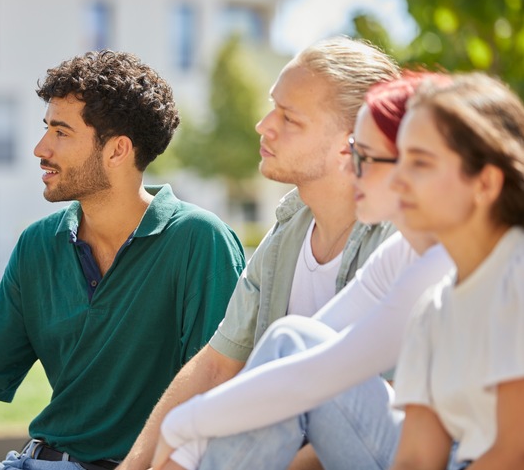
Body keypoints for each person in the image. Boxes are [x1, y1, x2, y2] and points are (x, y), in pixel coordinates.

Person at [0, 50, 246, 470]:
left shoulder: (199, 241)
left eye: (61, 132)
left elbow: (217, 395)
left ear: (117, 150)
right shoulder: (38, 244)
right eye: (46, 129)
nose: (40, 148)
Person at [119, 36, 401, 470]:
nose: (264, 124)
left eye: (289, 118)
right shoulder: (287, 233)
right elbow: (215, 366)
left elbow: (389, 409)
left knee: (290, 350)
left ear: (352, 140)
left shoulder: (401, 238)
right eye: (273, 107)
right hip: (267, 449)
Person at [152, 72, 456, 470]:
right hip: (409, 451)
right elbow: (304, 360)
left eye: (363, 155)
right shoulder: (404, 253)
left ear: (420, 165)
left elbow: (313, 373)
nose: (352, 169)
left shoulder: (461, 264)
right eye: (352, 151)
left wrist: (182, 428)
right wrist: (184, 439)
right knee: (291, 340)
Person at [390, 73, 524, 469]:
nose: (397, 179)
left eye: (420, 162)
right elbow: (416, 459)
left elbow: (514, 453)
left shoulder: (517, 277)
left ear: (485, 182)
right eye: (400, 159)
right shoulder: (432, 311)